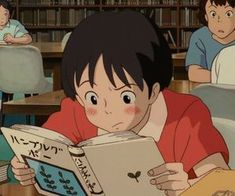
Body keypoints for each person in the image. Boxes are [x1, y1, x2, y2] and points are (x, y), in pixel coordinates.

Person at [11, 10, 229, 196]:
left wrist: (189, 187)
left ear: (153, 91)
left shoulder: (185, 115)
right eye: (93, 98)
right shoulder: (77, 111)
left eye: (126, 97)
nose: (108, 110)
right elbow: (45, 149)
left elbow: (222, 183)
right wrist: (27, 166)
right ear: (78, 94)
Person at [186, 0, 235, 83]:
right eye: (213, 14)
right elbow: (193, 74)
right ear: (206, 16)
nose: (220, 21)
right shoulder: (199, 37)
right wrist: (226, 79)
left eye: (228, 14)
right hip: (211, 92)